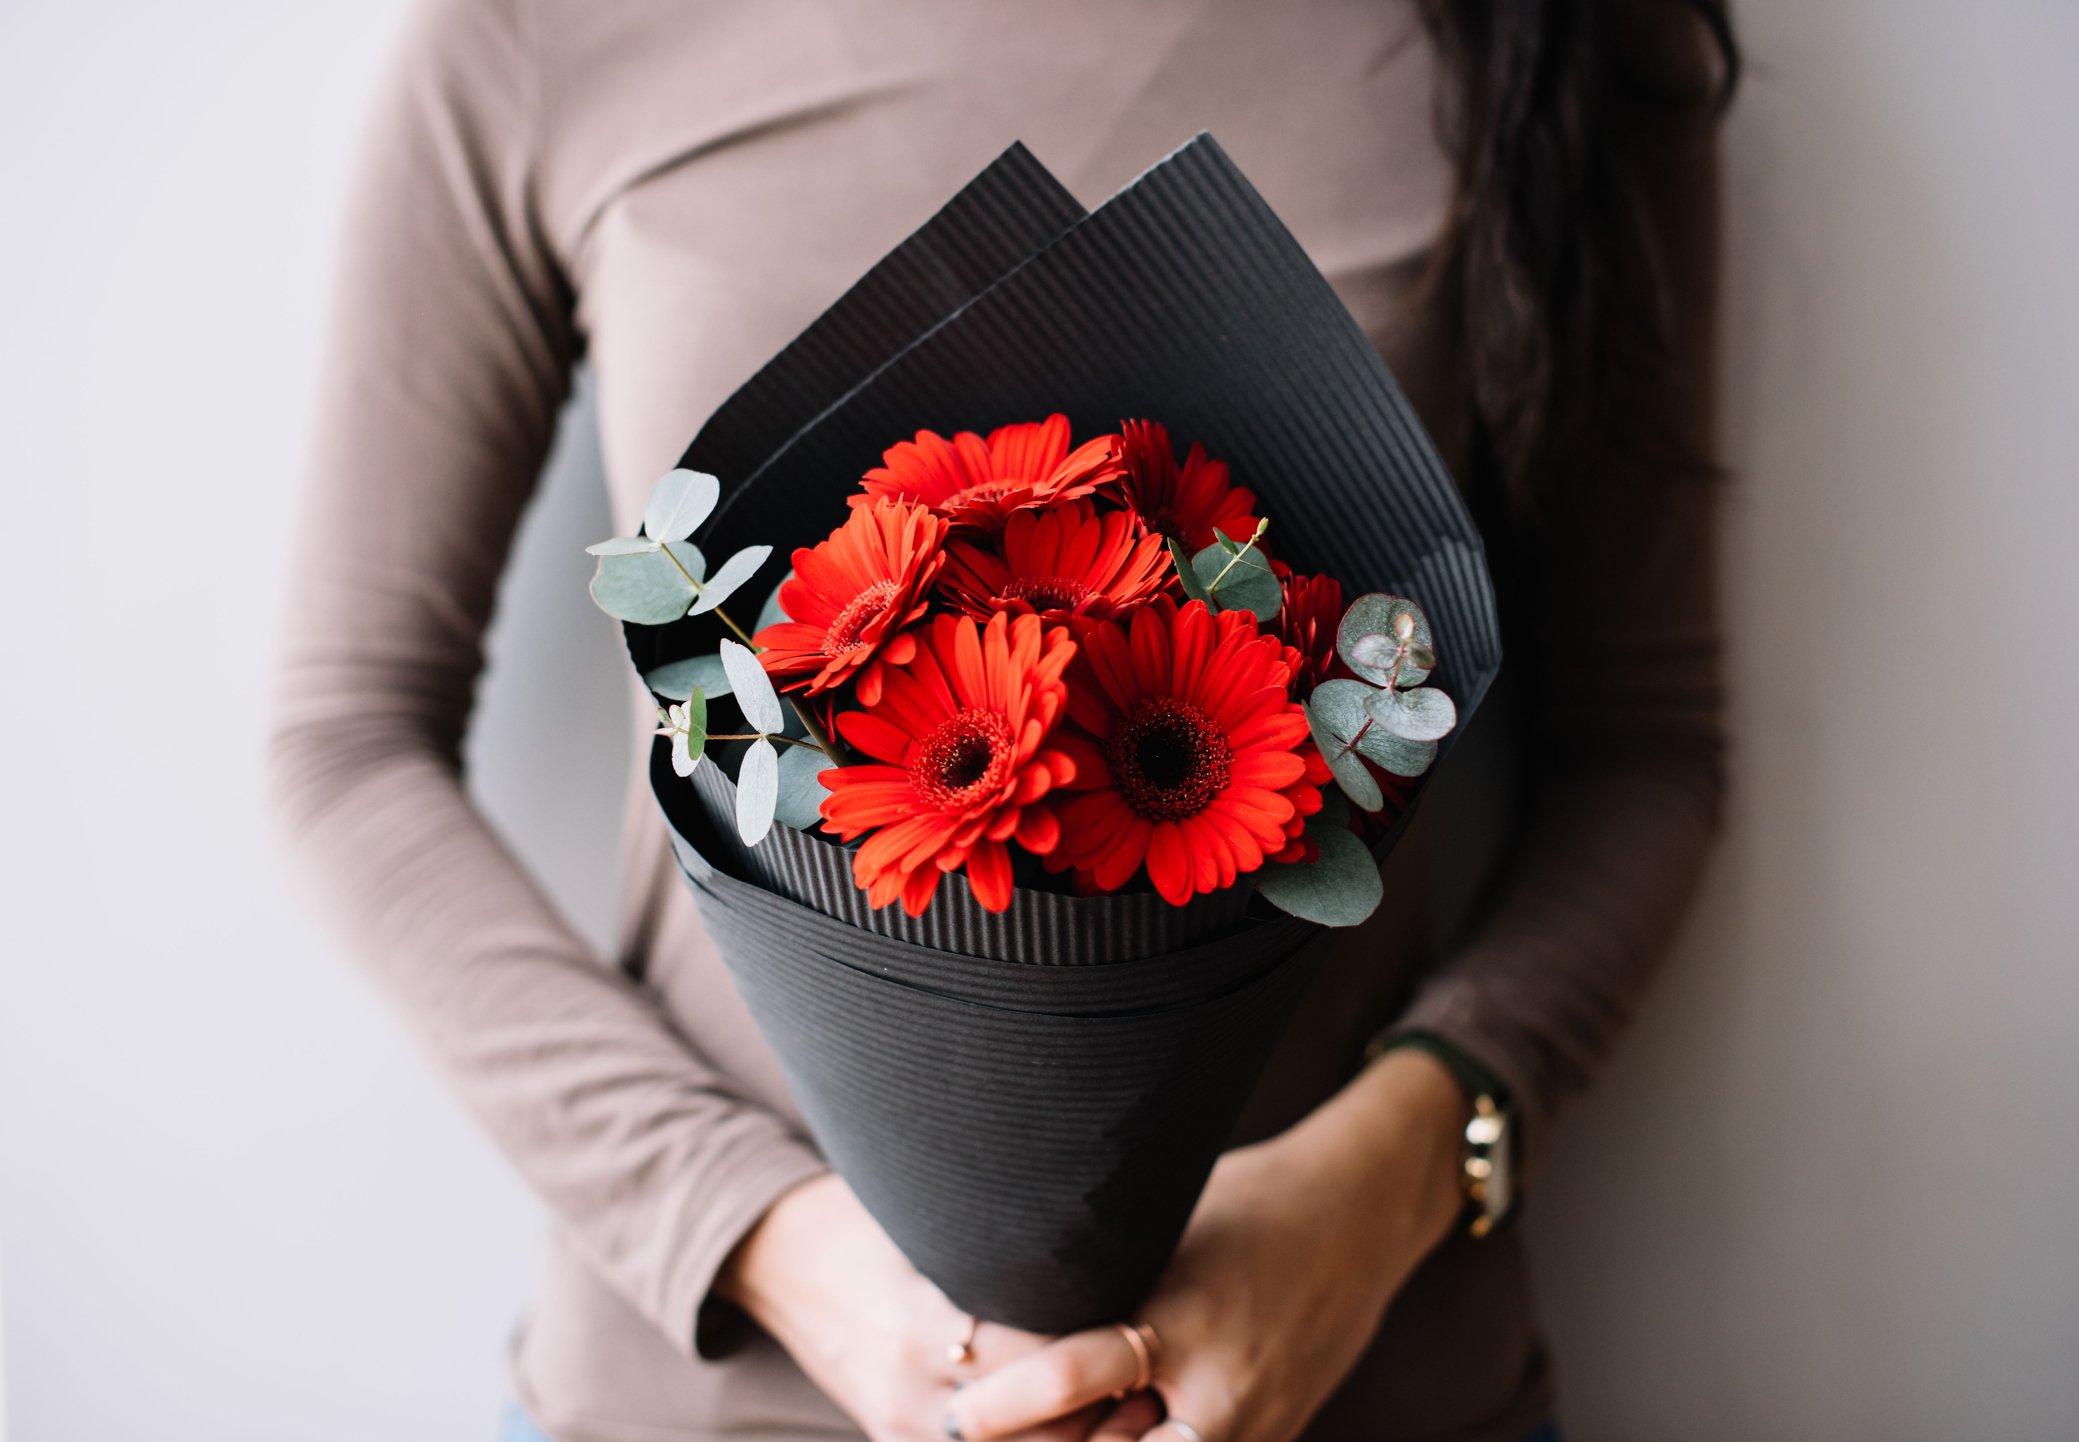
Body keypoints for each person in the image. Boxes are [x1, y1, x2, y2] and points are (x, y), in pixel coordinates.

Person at [268, 2, 1735, 1440]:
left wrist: (1375, 1194)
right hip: (719, 1390)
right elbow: (346, 741)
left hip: (1357, 1371)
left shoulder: (1559, 34)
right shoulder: (537, 36)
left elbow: (1644, 745)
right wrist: (762, 1235)